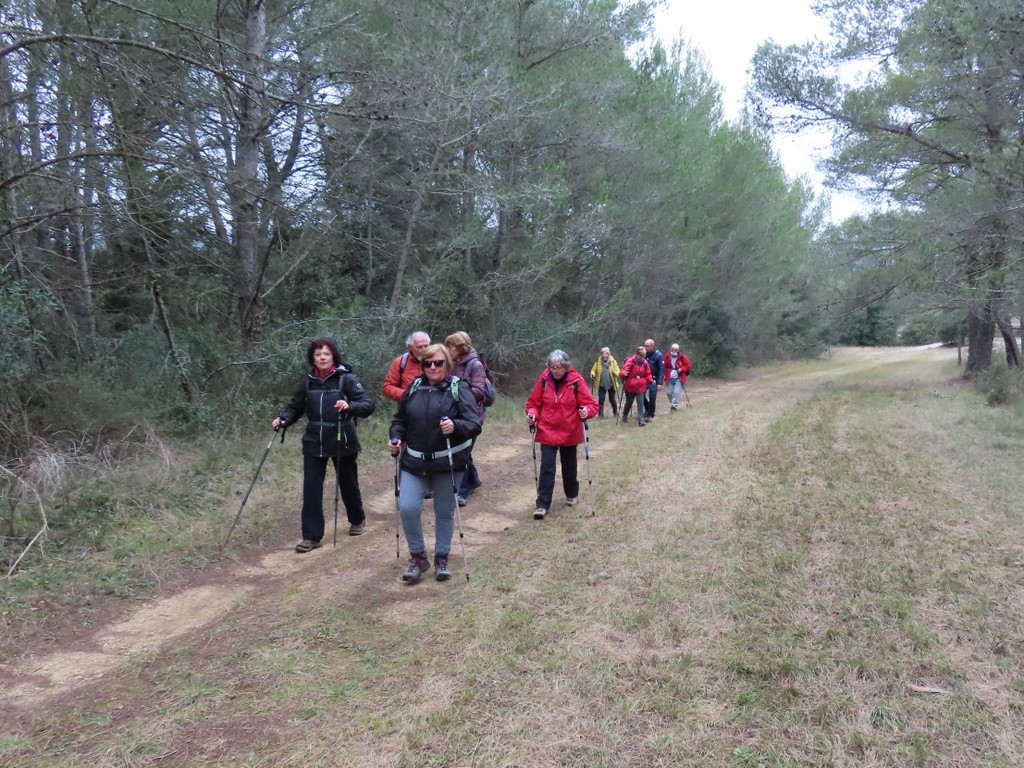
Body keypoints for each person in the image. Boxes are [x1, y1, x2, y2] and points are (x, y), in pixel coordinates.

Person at [389, 344, 482, 583]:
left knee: (444, 511)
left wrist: (455, 426)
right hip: (414, 461)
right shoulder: (414, 387)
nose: (432, 367)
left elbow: (473, 423)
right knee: (408, 507)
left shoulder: (458, 388)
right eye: (428, 363)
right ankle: (418, 557)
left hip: (448, 461)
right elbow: (400, 419)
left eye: (438, 363)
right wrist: (396, 437)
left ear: (447, 365)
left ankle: (442, 558)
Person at [272, 338, 375, 553]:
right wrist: (283, 419)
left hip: (342, 438)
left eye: (326, 354)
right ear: (313, 358)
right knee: (311, 488)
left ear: (333, 356)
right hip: (313, 440)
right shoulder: (308, 381)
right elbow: (295, 406)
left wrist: (349, 406)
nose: (322, 358)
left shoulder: (346, 379)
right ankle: (311, 536)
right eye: (318, 355)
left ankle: (357, 519)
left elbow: (367, 405)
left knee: (347, 482)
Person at [524, 350, 598, 520]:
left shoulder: (576, 381)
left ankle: (572, 493)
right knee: (547, 467)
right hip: (548, 429)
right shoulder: (544, 380)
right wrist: (532, 415)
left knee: (569, 465)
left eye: (559, 367)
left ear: (566, 367)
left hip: (569, 430)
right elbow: (533, 403)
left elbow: (591, 404)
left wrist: (586, 411)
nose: (555, 370)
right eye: (552, 367)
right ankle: (542, 505)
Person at [445, 331, 487, 507]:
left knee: (463, 452)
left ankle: (462, 492)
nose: (448, 349)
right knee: (463, 451)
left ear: (461, 347)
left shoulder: (475, 365)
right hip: (454, 415)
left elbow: (479, 390)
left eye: (451, 346)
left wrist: (459, 390)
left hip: (471, 415)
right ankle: (474, 479)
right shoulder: (449, 363)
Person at [382, 330, 431, 403]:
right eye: (419, 347)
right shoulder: (401, 362)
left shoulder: (438, 361)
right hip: (408, 409)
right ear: (409, 347)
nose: (424, 350)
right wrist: (407, 395)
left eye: (426, 346)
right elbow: (387, 387)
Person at [619, 346, 652, 427]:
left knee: (640, 402)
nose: (643, 358)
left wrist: (650, 380)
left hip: (641, 385)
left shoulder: (645, 363)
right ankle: (624, 416)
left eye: (644, 356)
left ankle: (641, 420)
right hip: (630, 385)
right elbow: (623, 371)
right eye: (641, 356)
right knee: (629, 402)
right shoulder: (630, 361)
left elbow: (648, 373)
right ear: (637, 354)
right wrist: (623, 373)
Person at [589, 347, 621, 419]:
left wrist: (614, 372)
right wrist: (592, 374)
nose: (604, 355)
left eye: (606, 353)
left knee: (612, 399)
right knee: (601, 399)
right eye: (603, 354)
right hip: (601, 384)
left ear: (609, 354)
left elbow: (619, 372)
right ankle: (600, 415)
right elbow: (593, 370)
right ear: (601, 355)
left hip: (611, 384)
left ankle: (615, 412)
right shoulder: (598, 362)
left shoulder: (613, 362)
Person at [663, 342, 692, 412]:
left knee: (676, 392)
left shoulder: (682, 356)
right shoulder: (667, 356)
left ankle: (673, 406)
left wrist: (681, 369)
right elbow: (663, 366)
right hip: (669, 377)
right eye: (672, 349)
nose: (673, 351)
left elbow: (688, 365)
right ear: (670, 349)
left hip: (679, 377)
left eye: (675, 350)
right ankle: (673, 403)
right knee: (669, 392)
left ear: (678, 350)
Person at [643, 338, 664, 422]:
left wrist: (660, 382)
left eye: (647, 346)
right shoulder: (644, 354)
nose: (645, 348)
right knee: (641, 395)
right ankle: (647, 409)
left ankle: (651, 414)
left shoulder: (658, 355)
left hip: (653, 379)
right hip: (644, 378)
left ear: (652, 346)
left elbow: (661, 369)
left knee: (652, 397)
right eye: (645, 346)